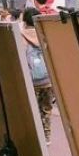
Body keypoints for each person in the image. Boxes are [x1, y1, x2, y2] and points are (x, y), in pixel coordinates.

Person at [20, 8, 53, 143]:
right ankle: (46, 136)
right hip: (47, 80)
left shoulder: (20, 36)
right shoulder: (45, 34)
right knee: (46, 108)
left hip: (30, 81)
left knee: (31, 110)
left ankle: (33, 137)